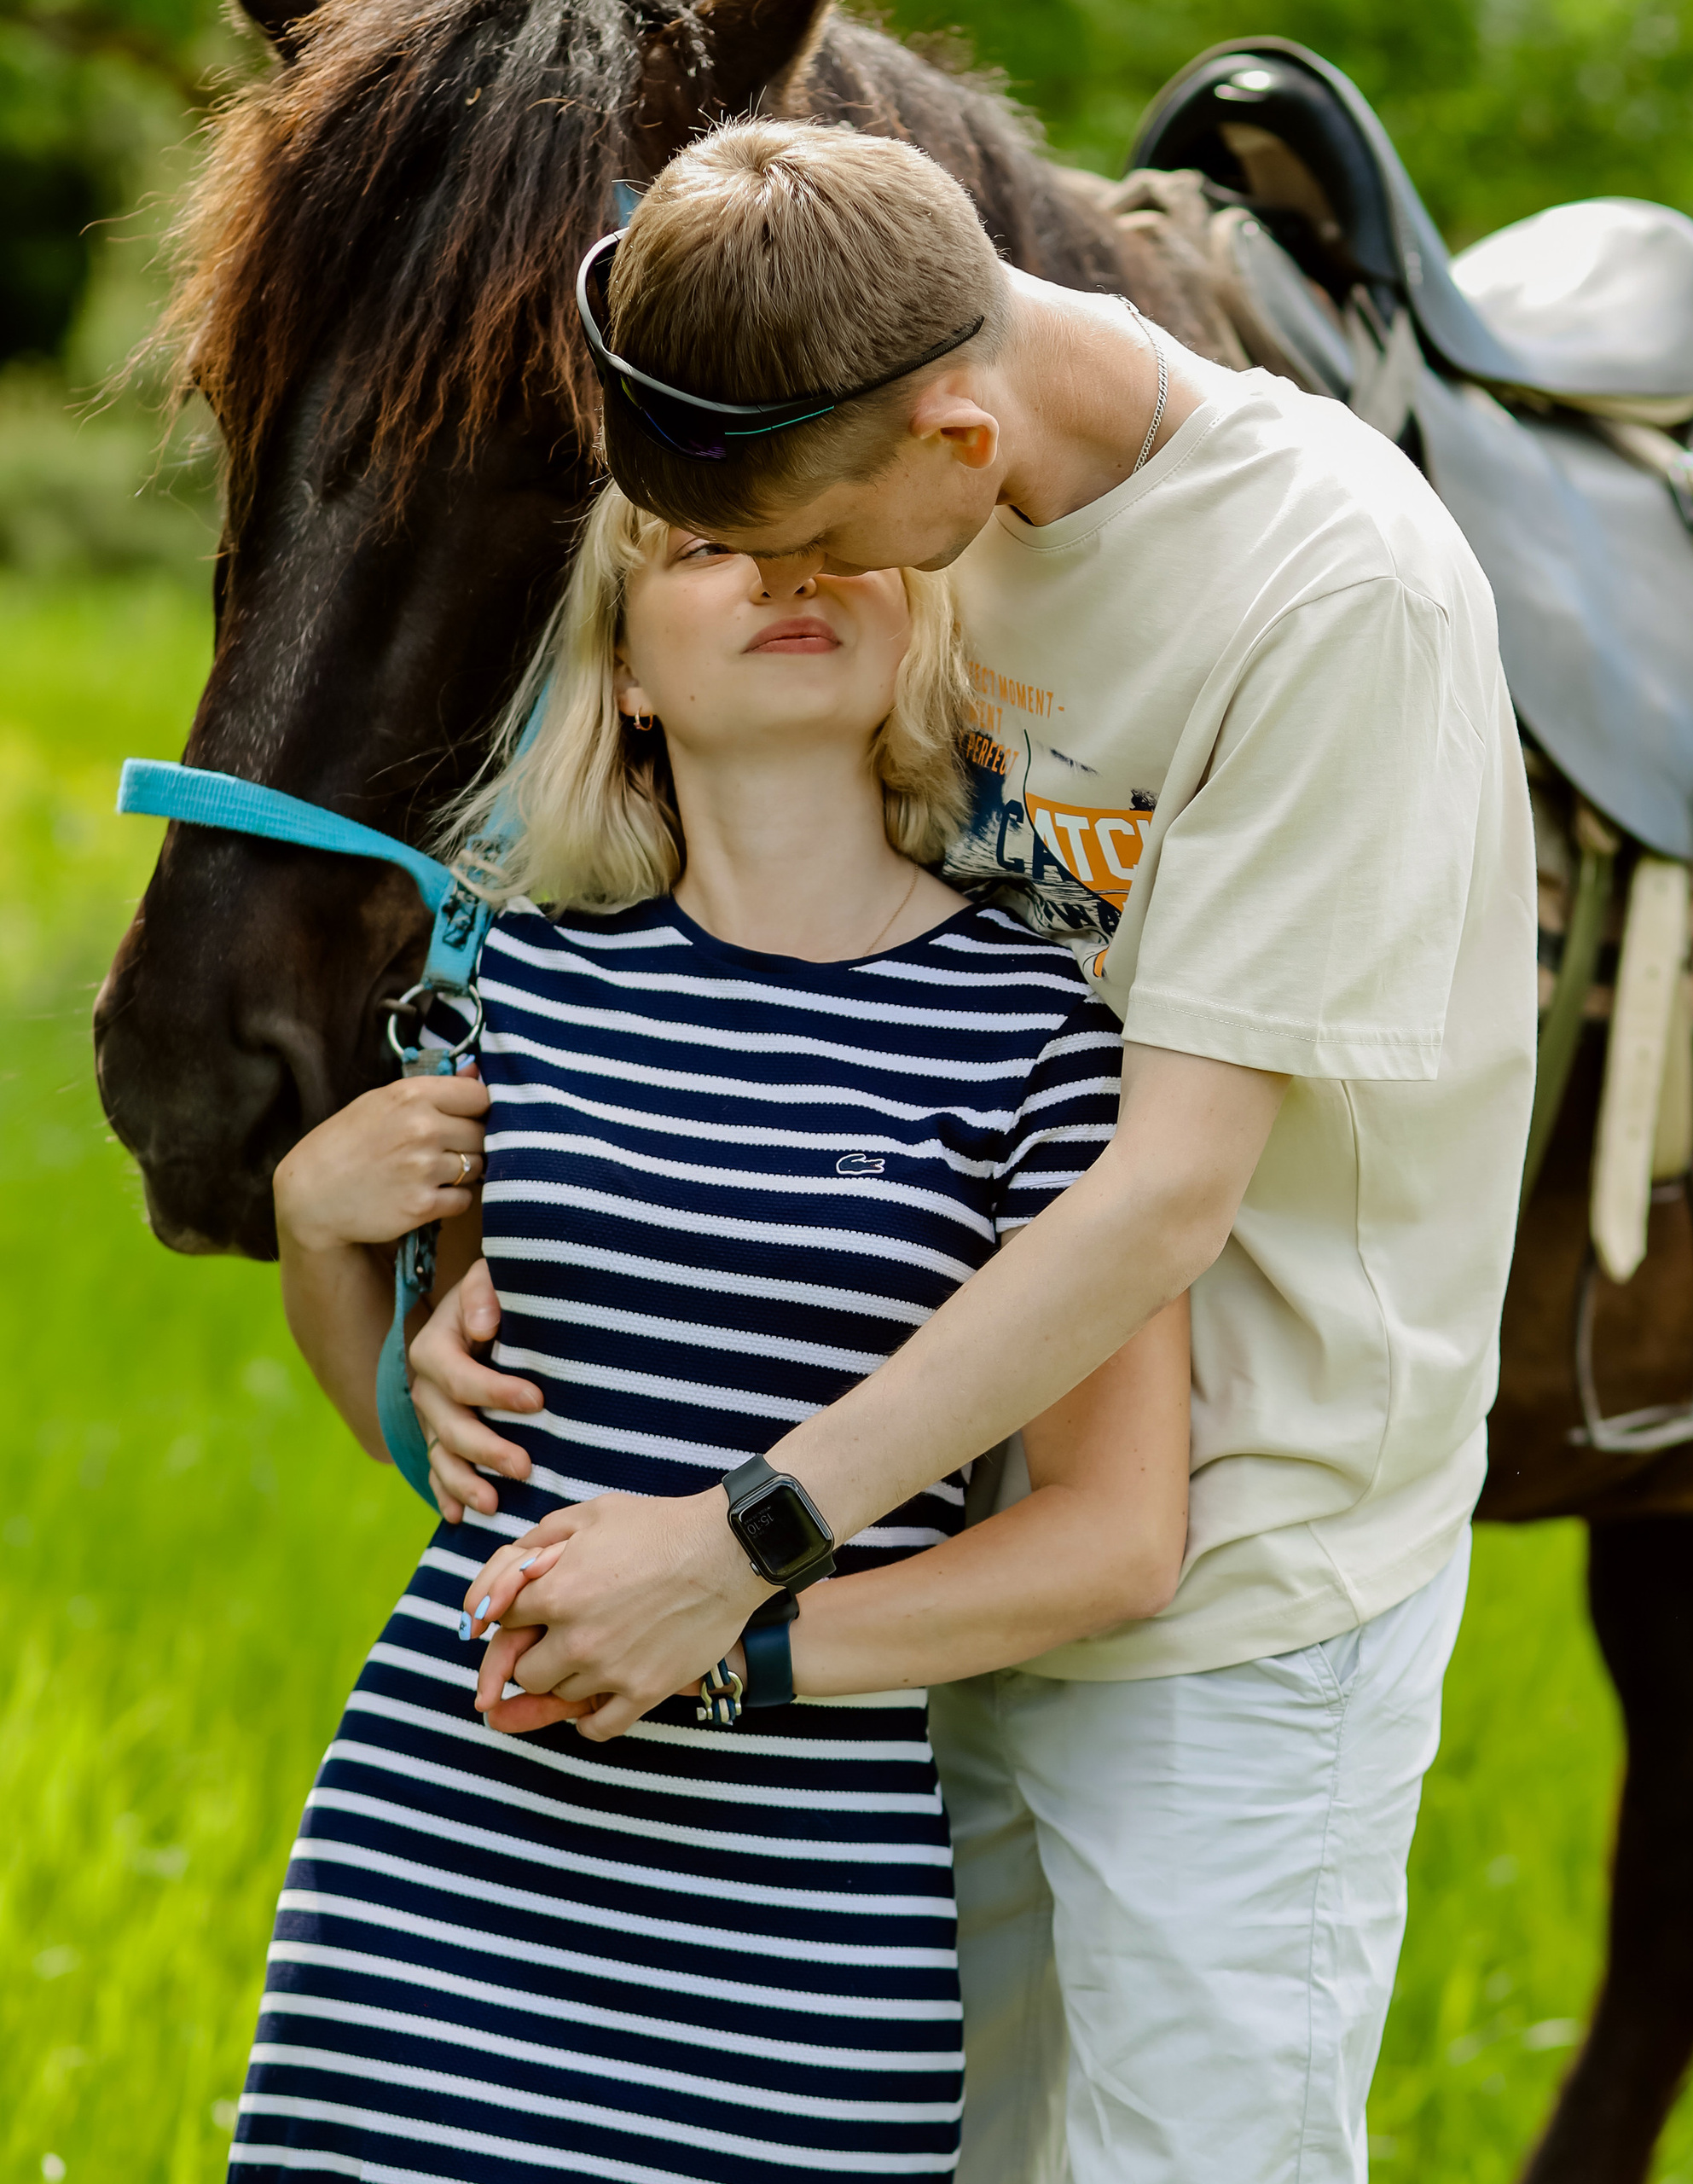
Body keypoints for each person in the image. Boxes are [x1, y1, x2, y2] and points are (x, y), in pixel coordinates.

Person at [431, 120, 1537, 2181]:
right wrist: (451, 1274)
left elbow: (1163, 1192)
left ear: (956, 440)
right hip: (920, 1534)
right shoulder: (895, 455)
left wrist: (741, 1548)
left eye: (825, 543)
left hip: (1220, 1577)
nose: (793, 590)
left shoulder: (1326, 591)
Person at [232, 483, 1191, 2178]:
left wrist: (735, 1643)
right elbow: (439, 1440)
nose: (785, 575)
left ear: (922, 619)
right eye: (703, 548)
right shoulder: (513, 980)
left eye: (838, 538)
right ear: (625, 674)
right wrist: (319, 1229)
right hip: (436, 1870)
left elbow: (1112, 1544)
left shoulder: (1049, 1034)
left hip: (802, 1941)